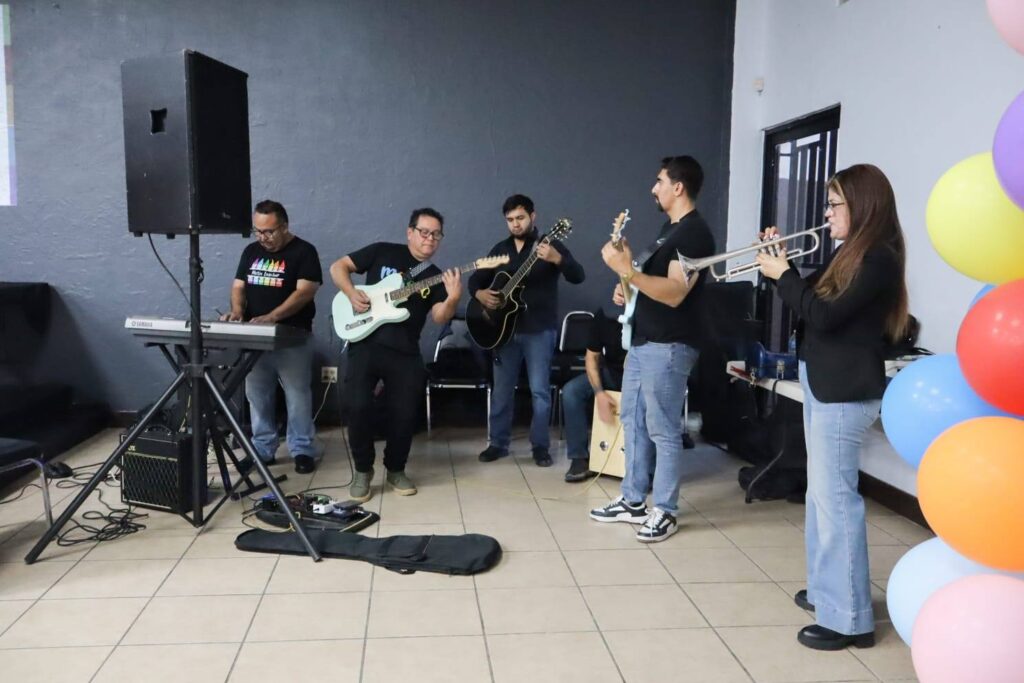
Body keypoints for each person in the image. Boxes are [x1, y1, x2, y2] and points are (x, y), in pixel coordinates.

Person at [755, 164, 909, 651]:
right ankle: (828, 593)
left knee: (836, 502)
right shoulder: (850, 254)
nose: (826, 214)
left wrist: (784, 276)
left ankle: (849, 620)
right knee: (822, 501)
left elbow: (824, 315)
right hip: (824, 383)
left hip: (844, 391)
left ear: (862, 205)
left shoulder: (878, 259)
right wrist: (780, 267)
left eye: (834, 204)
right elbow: (811, 304)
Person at [589, 156, 715, 542]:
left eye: (659, 181)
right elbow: (645, 286)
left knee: (663, 428)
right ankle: (632, 500)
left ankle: (665, 510)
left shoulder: (694, 234)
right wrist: (627, 284)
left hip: (670, 344)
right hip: (645, 341)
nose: (653, 188)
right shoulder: (668, 231)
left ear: (678, 187)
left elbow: (676, 293)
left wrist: (627, 271)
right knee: (633, 420)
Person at [330, 208, 461, 502]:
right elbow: (338, 267)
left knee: (404, 413)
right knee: (357, 407)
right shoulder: (382, 252)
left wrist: (453, 298)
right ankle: (363, 470)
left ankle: (396, 469)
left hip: (405, 352)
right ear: (410, 232)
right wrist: (351, 293)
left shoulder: (434, 276)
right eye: (424, 232)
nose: (430, 239)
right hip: (365, 343)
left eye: (436, 234)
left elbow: (440, 317)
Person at [470, 194, 585, 467]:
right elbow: (475, 279)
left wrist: (558, 259)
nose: (515, 224)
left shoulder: (550, 244)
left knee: (540, 392)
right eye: (510, 219)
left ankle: (540, 447)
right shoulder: (500, 249)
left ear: (533, 216)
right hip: (503, 331)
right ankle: (498, 444)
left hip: (539, 329)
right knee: (501, 390)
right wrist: (479, 294)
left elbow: (578, 276)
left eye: (520, 218)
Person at [226, 200, 322, 474]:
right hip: (256, 337)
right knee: (257, 394)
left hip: (293, 336)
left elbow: (305, 292)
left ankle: (302, 449)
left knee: (297, 394)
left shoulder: (304, 251)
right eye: (258, 231)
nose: (263, 237)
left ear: (284, 226)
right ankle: (262, 449)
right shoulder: (251, 251)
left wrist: (273, 316)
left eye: (269, 231)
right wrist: (237, 311)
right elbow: (238, 287)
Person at [561, 306, 625, 482]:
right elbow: (592, 357)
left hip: (640, 377)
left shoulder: (645, 311)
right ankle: (579, 459)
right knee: (571, 391)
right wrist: (599, 393)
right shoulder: (604, 315)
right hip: (611, 374)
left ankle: (644, 467)